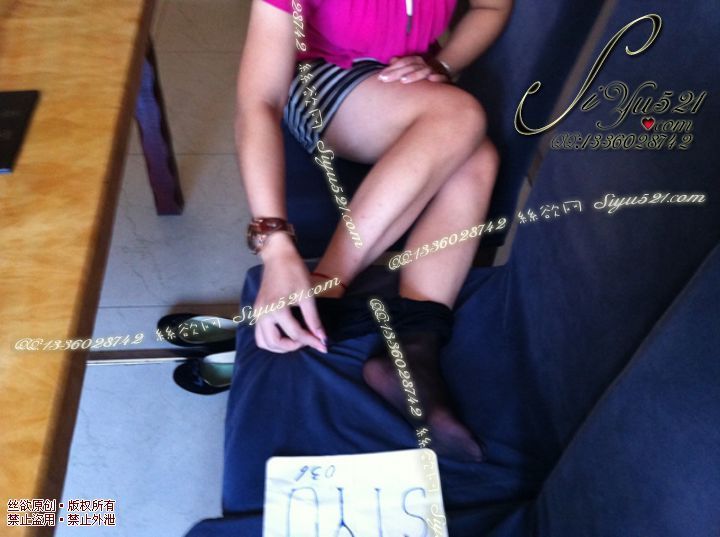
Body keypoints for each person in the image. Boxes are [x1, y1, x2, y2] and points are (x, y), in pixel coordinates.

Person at [236, 0, 512, 460]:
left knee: (476, 154)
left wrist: (443, 64)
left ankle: (414, 347)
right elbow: (257, 102)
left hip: (409, 86)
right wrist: (276, 246)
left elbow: (491, 7)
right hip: (320, 78)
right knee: (461, 118)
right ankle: (324, 288)